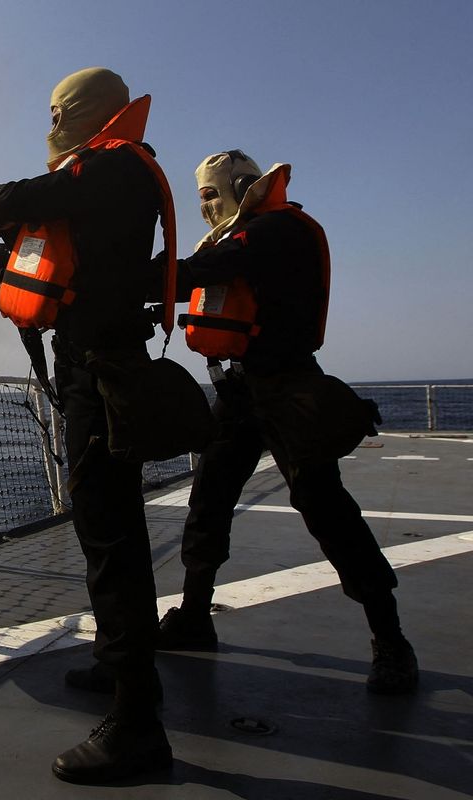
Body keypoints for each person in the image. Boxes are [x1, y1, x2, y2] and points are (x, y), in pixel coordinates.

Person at [0, 67, 175, 784]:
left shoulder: (114, 167)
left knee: (111, 537)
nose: (52, 124)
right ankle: (121, 668)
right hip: (92, 367)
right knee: (107, 530)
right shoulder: (107, 175)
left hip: (102, 372)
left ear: (87, 112)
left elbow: (21, 200)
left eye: (60, 112)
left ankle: (136, 727)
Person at [157, 149, 419, 695]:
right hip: (237, 390)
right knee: (208, 502)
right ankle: (195, 614)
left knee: (326, 508)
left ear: (241, 187)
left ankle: (391, 640)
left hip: (287, 387)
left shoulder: (277, 230)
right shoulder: (235, 238)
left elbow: (203, 272)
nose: (204, 206)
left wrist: (118, 279)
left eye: (210, 194)